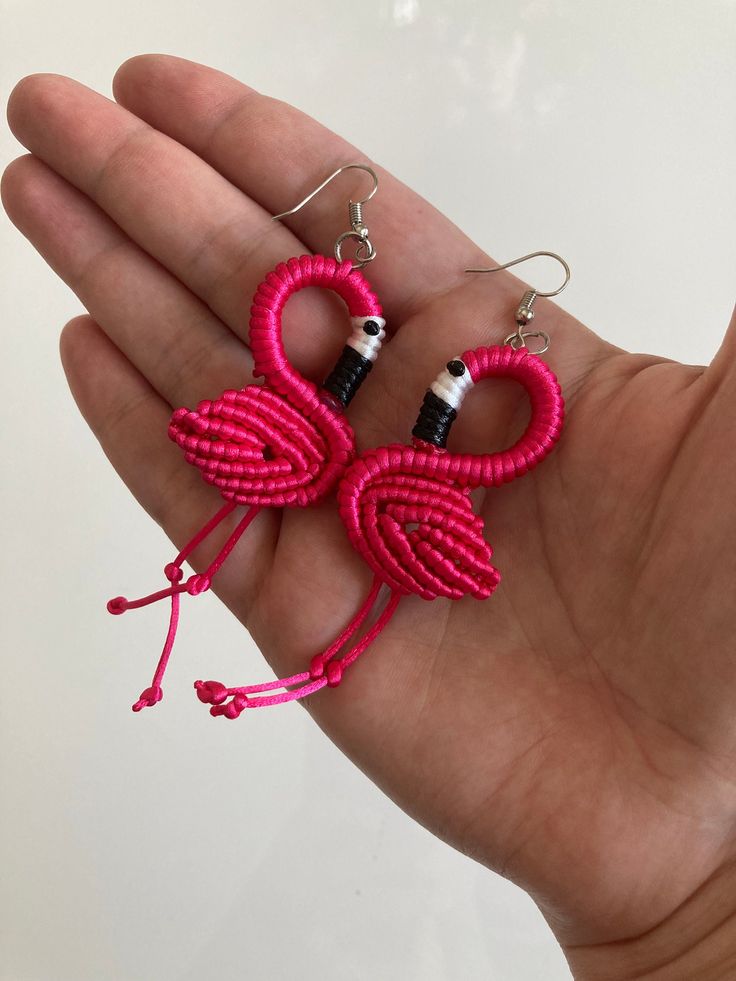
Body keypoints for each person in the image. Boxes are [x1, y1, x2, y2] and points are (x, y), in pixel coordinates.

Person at [3, 53, 735, 980]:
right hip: (339, 469)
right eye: (368, 329)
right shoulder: (316, 431)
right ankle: (198, 599)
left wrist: (704, 917)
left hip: (388, 502)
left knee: (335, 576)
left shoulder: (401, 476)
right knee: (260, 519)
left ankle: (266, 642)